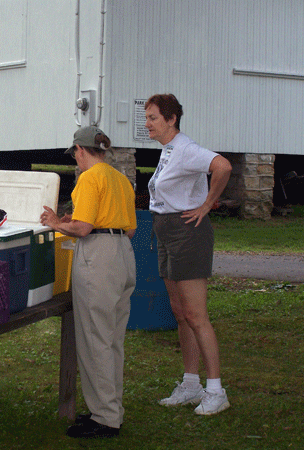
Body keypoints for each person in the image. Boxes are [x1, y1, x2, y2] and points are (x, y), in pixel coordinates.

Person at [40, 126, 136, 439]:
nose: (76, 161)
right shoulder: (120, 178)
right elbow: (129, 228)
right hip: (123, 251)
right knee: (112, 338)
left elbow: (83, 228)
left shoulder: (89, 178)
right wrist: (74, 223)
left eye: (76, 155)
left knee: (95, 337)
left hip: (98, 255)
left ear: (81, 150)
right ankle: (111, 410)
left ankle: (105, 418)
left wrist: (56, 223)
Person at [144, 93, 232, 416]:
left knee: (196, 315)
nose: (147, 123)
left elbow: (222, 166)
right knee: (180, 313)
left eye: (153, 118)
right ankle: (191, 383)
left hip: (187, 234)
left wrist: (207, 205)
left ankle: (216, 390)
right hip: (166, 231)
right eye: (147, 117)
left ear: (171, 120)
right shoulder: (168, 151)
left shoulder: (185, 149)